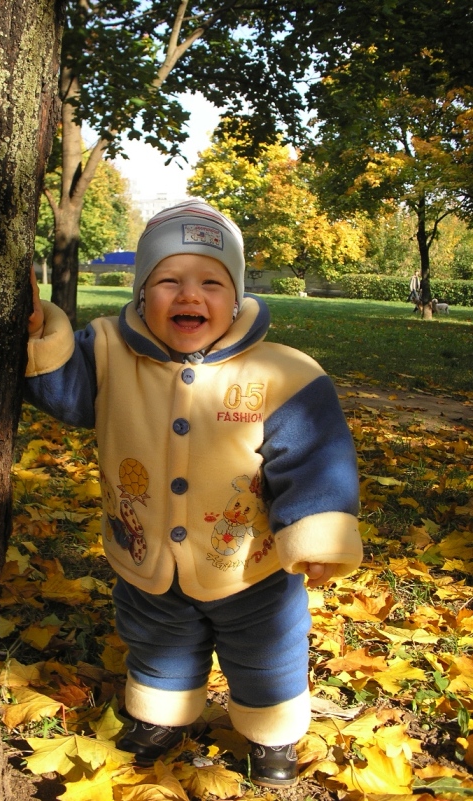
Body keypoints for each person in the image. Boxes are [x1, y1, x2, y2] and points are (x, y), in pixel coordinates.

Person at [25, 199, 362, 788]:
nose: (189, 296)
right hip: (146, 553)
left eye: (211, 281)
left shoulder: (282, 374)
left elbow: (310, 455)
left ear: (234, 297)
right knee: (157, 641)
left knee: (267, 653)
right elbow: (64, 391)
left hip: (247, 564)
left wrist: (317, 531)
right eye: (167, 281)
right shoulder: (107, 353)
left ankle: (271, 734)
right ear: (139, 294)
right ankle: (161, 716)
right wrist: (41, 334)